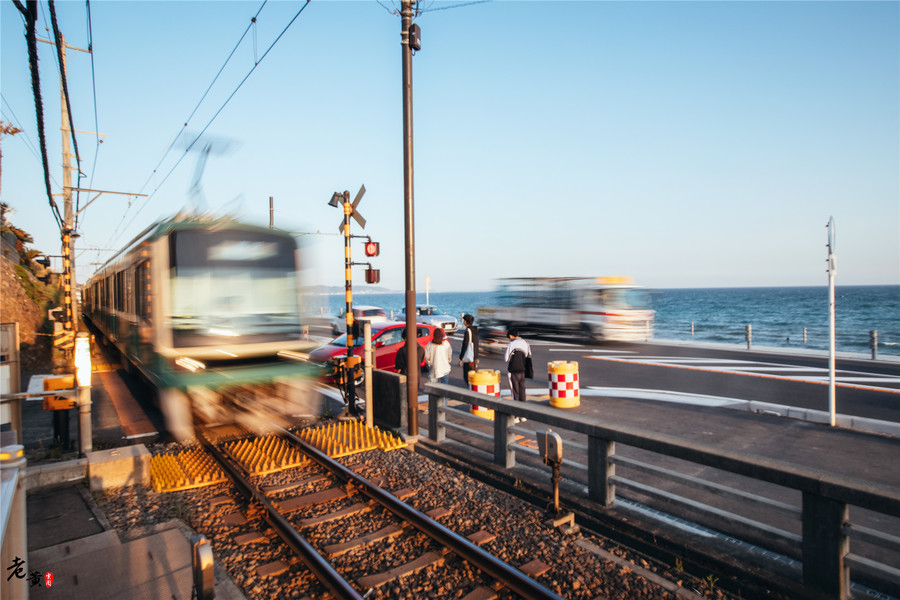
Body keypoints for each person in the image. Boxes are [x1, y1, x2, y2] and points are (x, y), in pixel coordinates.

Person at [504, 327, 532, 408]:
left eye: (509, 337)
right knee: (522, 390)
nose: (509, 339)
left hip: (513, 371)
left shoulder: (512, 344)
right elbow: (528, 355)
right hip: (523, 370)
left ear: (511, 336)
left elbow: (506, 359)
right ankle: (523, 413)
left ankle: (516, 414)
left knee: (515, 391)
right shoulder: (526, 343)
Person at [458, 314, 479, 384]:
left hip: (469, 358)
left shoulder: (468, 331)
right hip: (475, 356)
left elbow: (465, 345)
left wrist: (461, 358)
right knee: (472, 376)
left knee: (467, 377)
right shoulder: (475, 330)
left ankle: (472, 393)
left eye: (464, 320)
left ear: (465, 322)